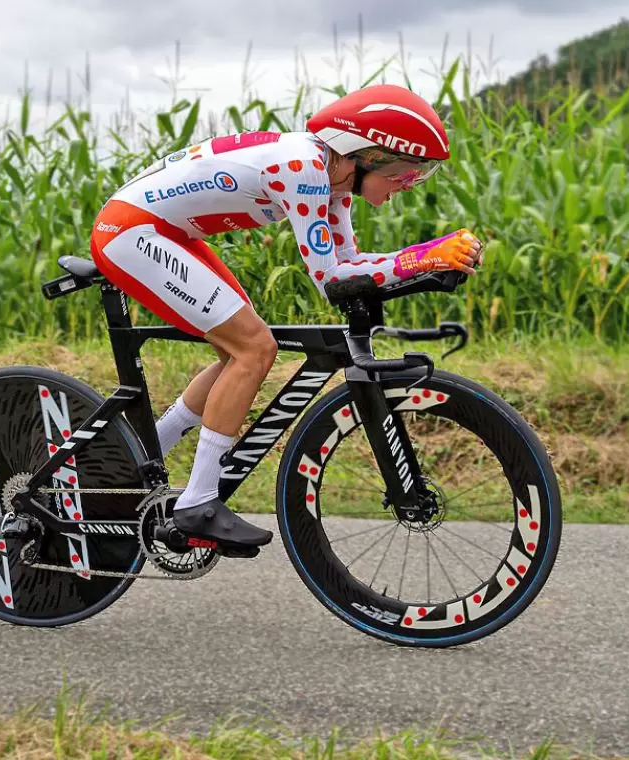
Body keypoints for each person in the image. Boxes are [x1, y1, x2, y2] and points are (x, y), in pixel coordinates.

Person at [89, 84, 483, 548]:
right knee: (253, 349)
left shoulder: (332, 183)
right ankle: (197, 502)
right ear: (364, 154)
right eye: (404, 172)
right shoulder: (303, 168)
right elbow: (330, 276)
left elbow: (349, 267)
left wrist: (427, 265)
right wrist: (422, 256)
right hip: (131, 231)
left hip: (165, 232)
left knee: (234, 356)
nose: (408, 185)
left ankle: (134, 458)